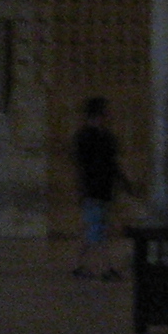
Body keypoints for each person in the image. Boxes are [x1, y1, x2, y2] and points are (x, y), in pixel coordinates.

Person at [70, 96, 125, 279]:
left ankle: (78, 265)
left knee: (94, 229)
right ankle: (105, 268)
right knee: (97, 230)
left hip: (103, 189)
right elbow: (83, 165)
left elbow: (112, 163)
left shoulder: (106, 137)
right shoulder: (85, 137)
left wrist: (122, 182)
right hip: (93, 189)